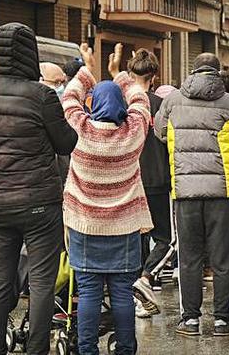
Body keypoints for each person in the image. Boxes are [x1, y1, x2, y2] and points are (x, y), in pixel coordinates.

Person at [0, 23, 78, 355]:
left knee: (1, 279)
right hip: (38, 202)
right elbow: (66, 143)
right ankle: (36, 350)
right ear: (31, 52)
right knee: (43, 281)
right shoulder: (41, 95)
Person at [154, 53, 229, 337]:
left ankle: (190, 320)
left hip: (184, 191)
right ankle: (223, 320)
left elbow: (159, 132)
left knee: (189, 258)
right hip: (222, 192)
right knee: (223, 258)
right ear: (217, 72)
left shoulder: (173, 100)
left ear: (193, 71)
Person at [61, 43, 154, 355]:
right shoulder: (133, 133)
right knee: (122, 292)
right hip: (124, 227)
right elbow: (141, 100)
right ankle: (126, 349)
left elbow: (69, 98)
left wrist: (87, 70)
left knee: (88, 290)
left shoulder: (79, 130)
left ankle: (87, 349)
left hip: (85, 226)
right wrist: (120, 75)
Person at [120, 48, 171, 319]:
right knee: (165, 239)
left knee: (136, 237)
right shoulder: (161, 105)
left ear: (131, 73)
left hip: (129, 177)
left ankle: (134, 295)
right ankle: (146, 277)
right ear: (155, 75)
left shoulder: (123, 102)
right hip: (158, 178)